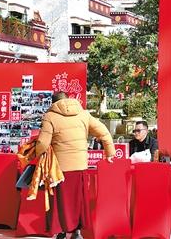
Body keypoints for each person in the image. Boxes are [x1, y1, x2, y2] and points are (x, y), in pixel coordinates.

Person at [37, 92, 115, 239]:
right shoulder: (84, 114)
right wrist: (109, 152)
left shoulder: (50, 116)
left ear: (53, 103)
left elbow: (42, 143)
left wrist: (37, 154)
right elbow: (104, 132)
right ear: (68, 99)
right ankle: (77, 232)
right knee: (78, 200)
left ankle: (61, 232)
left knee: (61, 202)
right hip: (80, 166)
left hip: (59, 168)